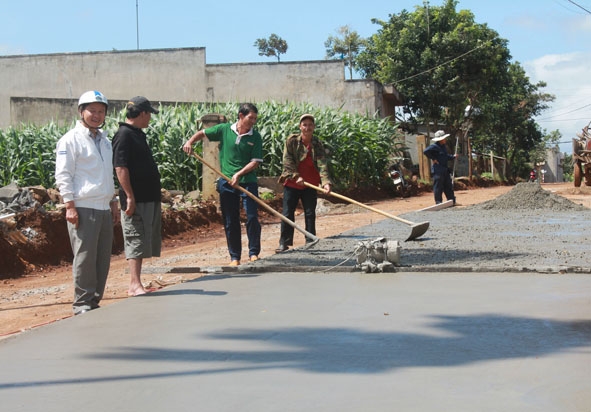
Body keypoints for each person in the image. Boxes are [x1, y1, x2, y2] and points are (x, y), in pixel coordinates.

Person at [54, 90, 119, 315]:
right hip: (83, 206)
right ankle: (81, 303)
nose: (97, 115)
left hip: (103, 206)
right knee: (85, 257)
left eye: (101, 111)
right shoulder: (70, 140)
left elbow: (107, 174)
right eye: (92, 110)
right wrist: (69, 205)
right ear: (81, 112)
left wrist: (113, 201)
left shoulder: (106, 141)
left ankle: (93, 301)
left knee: (102, 258)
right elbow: (63, 174)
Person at [182, 103, 263, 266]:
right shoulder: (224, 130)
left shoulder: (256, 137)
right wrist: (189, 142)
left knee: (252, 217)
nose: (253, 121)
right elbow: (202, 133)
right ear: (241, 115)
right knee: (230, 220)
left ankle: (253, 253)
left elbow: (255, 162)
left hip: (247, 182)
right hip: (226, 182)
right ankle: (235, 257)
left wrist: (238, 175)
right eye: (250, 118)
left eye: (255, 118)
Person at [112, 96, 161, 296]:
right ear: (142, 113)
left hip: (147, 197)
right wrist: (129, 197)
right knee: (134, 238)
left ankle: (137, 282)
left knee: (142, 240)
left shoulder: (137, 134)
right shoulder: (124, 135)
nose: (150, 118)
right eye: (149, 114)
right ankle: (134, 284)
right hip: (136, 199)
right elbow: (120, 167)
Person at [275, 114, 332, 253]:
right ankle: (284, 242)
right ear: (300, 127)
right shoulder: (292, 141)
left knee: (309, 212)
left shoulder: (317, 143)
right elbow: (287, 161)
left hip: (310, 184)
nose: (307, 127)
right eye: (305, 124)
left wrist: (325, 183)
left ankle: (310, 240)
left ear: (314, 127)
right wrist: (296, 176)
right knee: (288, 213)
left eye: (310, 125)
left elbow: (322, 163)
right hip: (292, 183)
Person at [423, 130, 457, 205]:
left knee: (448, 186)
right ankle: (438, 202)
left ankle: (451, 201)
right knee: (438, 187)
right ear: (440, 139)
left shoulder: (443, 147)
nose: (445, 140)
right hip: (438, 170)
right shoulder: (434, 146)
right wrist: (433, 158)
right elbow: (425, 151)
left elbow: (445, 157)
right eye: (444, 138)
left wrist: (453, 157)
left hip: (445, 169)